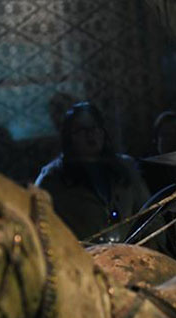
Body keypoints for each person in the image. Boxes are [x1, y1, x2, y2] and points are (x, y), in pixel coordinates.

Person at [35, 102, 154, 245]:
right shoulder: (52, 178)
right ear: (69, 136)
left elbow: (150, 214)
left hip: (130, 253)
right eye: (81, 129)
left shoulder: (125, 167)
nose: (90, 134)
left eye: (95, 127)